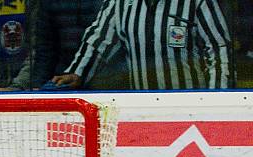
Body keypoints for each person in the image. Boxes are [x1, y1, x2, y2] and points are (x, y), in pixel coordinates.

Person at [50, 0, 233, 90]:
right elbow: (98, 39)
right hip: (141, 107)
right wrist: (78, 72)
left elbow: (219, 48)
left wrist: (218, 95)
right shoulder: (120, 2)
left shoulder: (195, 1)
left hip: (190, 104)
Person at [33, 0, 127, 90]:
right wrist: (38, 85)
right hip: (63, 80)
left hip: (109, 82)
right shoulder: (50, 2)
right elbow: (45, 48)